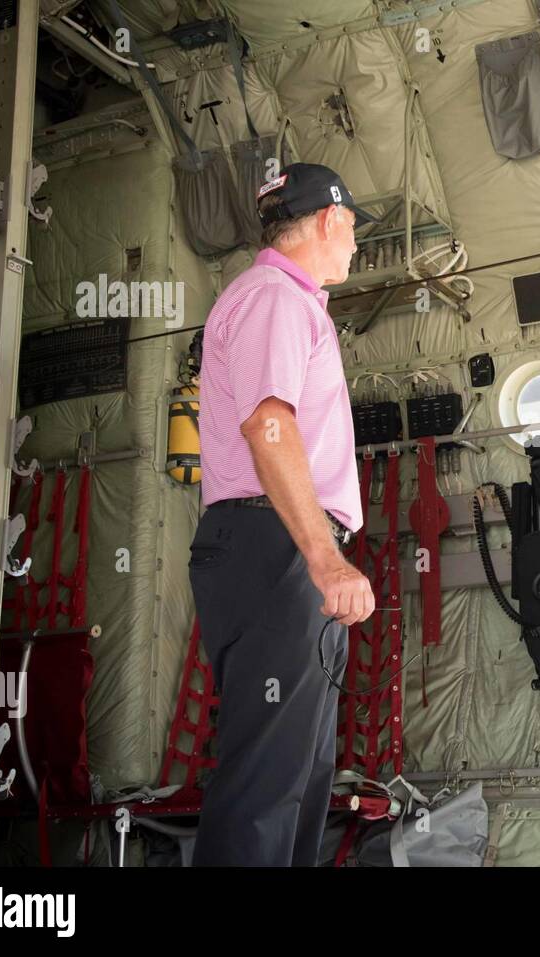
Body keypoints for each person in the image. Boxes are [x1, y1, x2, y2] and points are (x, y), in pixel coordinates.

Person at [187, 163, 374, 866]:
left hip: (275, 546)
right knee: (268, 785)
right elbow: (269, 426)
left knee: (297, 779)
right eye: (353, 228)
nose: (355, 246)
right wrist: (324, 558)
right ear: (330, 220)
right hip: (277, 548)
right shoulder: (276, 299)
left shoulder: (286, 303)